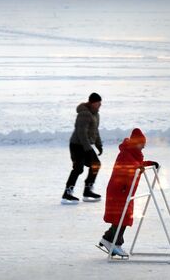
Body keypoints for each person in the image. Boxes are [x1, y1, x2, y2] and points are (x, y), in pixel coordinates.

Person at [98, 128, 159, 257]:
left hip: (125, 190)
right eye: (142, 144)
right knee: (120, 216)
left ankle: (111, 240)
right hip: (119, 190)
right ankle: (111, 241)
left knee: (124, 217)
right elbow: (129, 166)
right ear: (136, 143)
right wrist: (139, 166)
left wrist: (149, 163)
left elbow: (137, 164)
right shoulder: (125, 153)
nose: (144, 147)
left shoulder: (133, 153)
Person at [61, 93, 104, 204]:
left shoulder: (96, 114)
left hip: (86, 145)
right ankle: (67, 193)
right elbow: (81, 133)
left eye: (100, 102)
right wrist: (88, 149)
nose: (100, 105)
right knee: (78, 168)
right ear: (92, 102)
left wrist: (99, 144)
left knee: (96, 165)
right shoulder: (84, 114)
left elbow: (95, 130)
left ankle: (87, 191)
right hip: (77, 145)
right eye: (98, 103)